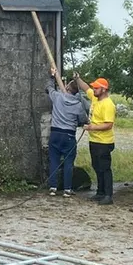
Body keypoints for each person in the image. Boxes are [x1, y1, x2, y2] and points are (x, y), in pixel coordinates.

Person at [46, 65, 90, 196]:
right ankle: (67, 189)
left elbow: (49, 89)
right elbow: (83, 119)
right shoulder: (78, 105)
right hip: (69, 135)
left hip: (55, 133)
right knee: (68, 162)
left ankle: (53, 187)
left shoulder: (58, 97)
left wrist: (52, 76)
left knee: (54, 160)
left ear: (66, 88)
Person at [75, 73, 116, 205]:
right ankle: (100, 192)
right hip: (94, 141)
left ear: (104, 89)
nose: (94, 90)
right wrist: (78, 79)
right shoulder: (95, 97)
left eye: (97, 88)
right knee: (97, 166)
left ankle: (108, 195)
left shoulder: (108, 105)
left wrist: (92, 127)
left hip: (104, 142)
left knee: (105, 168)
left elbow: (108, 124)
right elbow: (85, 87)